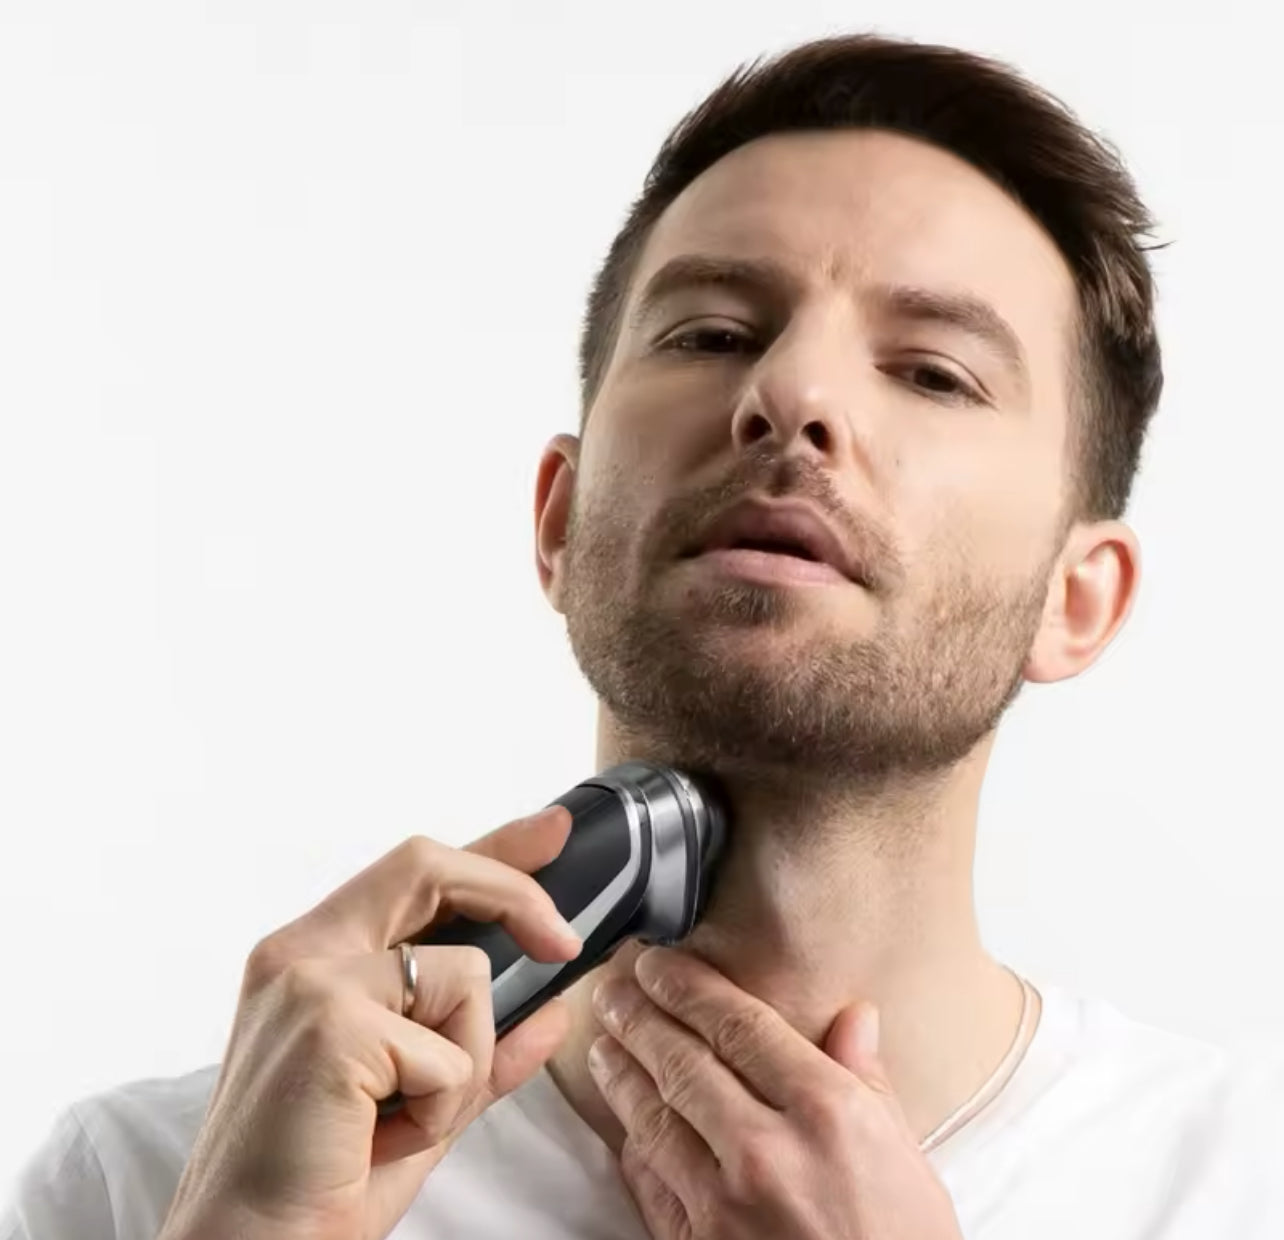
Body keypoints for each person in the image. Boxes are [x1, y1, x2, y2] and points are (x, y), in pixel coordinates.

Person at [5, 29, 1282, 1240]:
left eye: (933, 372)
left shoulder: (1244, 1186)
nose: (792, 392)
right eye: (712, 334)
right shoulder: (160, 1182)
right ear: (559, 521)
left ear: (1077, 597)